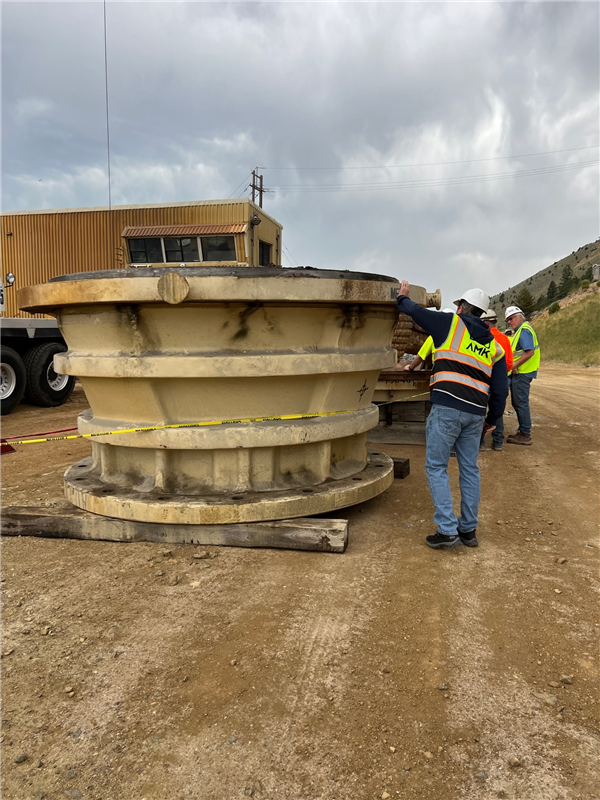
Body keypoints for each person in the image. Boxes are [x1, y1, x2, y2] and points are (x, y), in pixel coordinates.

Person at [397, 283, 508, 549]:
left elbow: (415, 311)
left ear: (461, 306)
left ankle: (447, 530)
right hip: (475, 414)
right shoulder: (494, 346)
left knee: (436, 467)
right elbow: (501, 390)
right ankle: (468, 530)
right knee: (470, 469)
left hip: (447, 408)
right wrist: (492, 418)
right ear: (482, 314)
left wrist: (402, 298)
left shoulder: (450, 325)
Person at [504, 305, 541, 446]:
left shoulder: (524, 330)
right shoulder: (519, 331)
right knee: (518, 401)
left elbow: (529, 352)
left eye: (511, 318)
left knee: (520, 402)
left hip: (523, 372)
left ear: (520, 316)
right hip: (521, 371)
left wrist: (514, 365)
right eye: (508, 319)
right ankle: (523, 431)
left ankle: (525, 434)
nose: (509, 321)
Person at [480, 310, 513, 451]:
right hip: (499, 380)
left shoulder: (482, 337)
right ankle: (498, 441)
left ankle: (480, 442)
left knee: (480, 410)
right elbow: (509, 362)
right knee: (496, 409)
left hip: (483, 380)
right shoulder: (504, 339)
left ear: (486, 323)